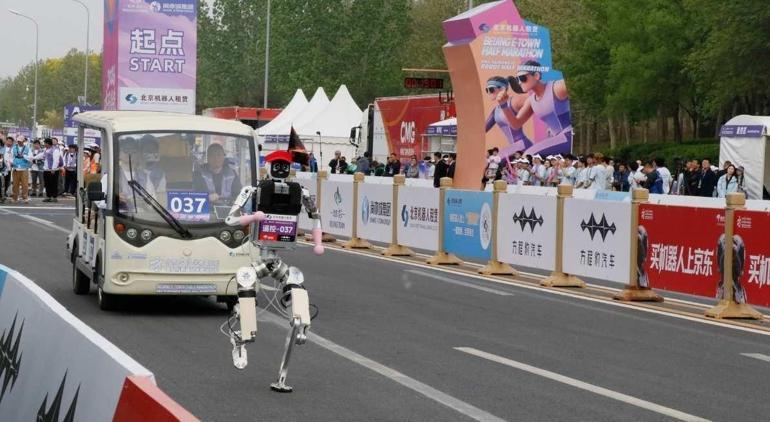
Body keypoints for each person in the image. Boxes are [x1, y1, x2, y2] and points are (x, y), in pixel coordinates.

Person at [498, 60, 572, 156]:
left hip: (569, 135)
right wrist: (503, 105)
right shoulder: (531, 100)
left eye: (522, 78)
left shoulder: (556, 88)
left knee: (529, 155)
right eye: (517, 79)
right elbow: (516, 124)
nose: (519, 83)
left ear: (536, 76)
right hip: (556, 139)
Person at [484, 76, 533, 156]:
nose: (489, 93)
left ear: (502, 89)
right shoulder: (496, 110)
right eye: (487, 90)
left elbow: (534, 101)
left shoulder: (514, 101)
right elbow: (483, 129)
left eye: (491, 89)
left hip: (523, 145)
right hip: (514, 148)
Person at [40, 138, 63, 202]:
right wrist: (33, 157)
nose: (44, 144)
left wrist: (53, 169)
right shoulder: (46, 150)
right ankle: (48, 196)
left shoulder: (55, 150)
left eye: (45, 143)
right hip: (46, 170)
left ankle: (54, 197)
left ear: (48, 143)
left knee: (54, 184)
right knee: (47, 184)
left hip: (53, 170)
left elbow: (56, 160)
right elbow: (41, 155)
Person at [11, 136, 32, 203]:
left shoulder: (28, 149)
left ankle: (25, 198)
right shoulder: (14, 148)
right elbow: (11, 157)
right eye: (18, 141)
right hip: (15, 168)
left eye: (20, 141)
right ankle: (15, 198)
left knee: (25, 184)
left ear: (23, 141)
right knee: (15, 184)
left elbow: (30, 158)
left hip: (24, 168)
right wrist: (12, 162)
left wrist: (24, 156)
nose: (19, 142)